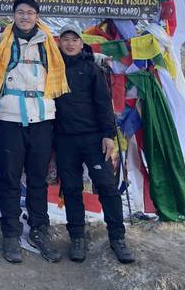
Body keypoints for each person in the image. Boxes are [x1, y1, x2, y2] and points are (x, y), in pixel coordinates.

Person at [0, 0, 69, 264]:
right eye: (20, 12)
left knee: (37, 177)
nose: (25, 17)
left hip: (42, 117)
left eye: (30, 12)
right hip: (10, 116)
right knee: (11, 178)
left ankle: (40, 230)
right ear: (14, 15)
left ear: (37, 16)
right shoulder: (3, 42)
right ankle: (11, 234)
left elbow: (64, 68)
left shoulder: (49, 44)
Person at [55, 23, 135, 264]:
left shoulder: (91, 69)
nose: (70, 44)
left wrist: (108, 135)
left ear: (82, 43)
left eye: (74, 40)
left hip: (93, 138)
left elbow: (103, 103)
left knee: (107, 187)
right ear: (60, 43)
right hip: (63, 139)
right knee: (70, 188)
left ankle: (117, 238)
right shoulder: (52, 68)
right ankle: (77, 237)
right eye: (65, 39)